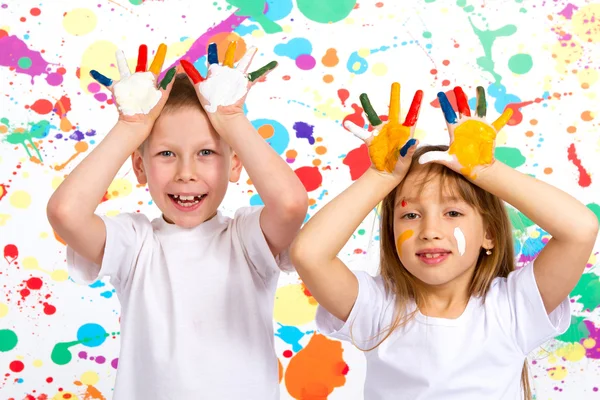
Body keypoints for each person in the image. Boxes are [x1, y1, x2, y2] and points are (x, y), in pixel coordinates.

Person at [290, 83, 598, 399]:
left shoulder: (513, 308)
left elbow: (581, 229)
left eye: (452, 212)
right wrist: (380, 178)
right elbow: (308, 253)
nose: (430, 230)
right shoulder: (377, 308)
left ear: (488, 234)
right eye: (410, 215)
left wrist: (487, 171)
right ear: (391, 233)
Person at [47, 42, 308, 399]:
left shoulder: (247, 238)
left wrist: (231, 119)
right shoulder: (135, 243)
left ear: (235, 164)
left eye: (206, 152)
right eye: (166, 153)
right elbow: (66, 213)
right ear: (140, 167)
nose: (186, 173)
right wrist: (130, 127)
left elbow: (291, 204)